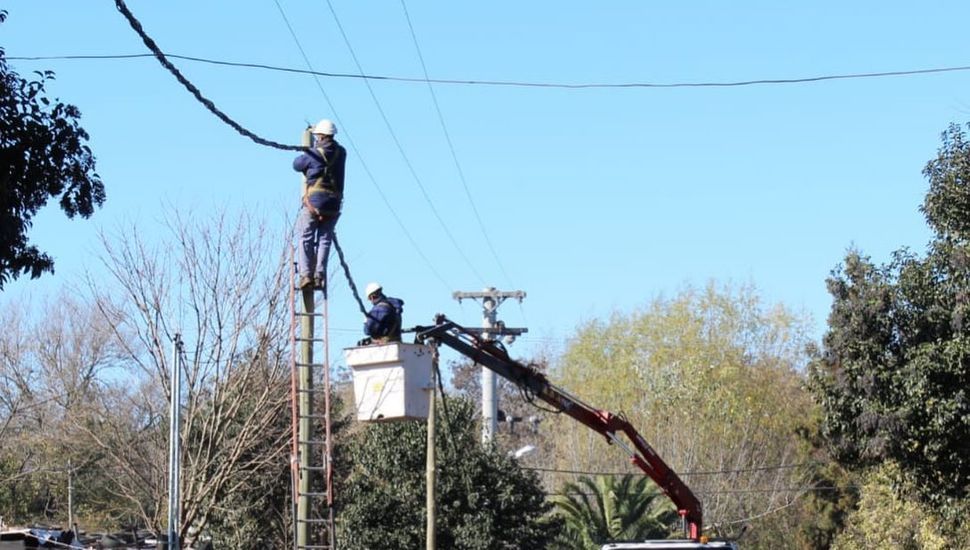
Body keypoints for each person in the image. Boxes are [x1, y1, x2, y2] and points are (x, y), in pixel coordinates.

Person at [293, 119, 347, 290]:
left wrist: (309, 151)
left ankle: (305, 275)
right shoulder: (342, 152)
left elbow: (297, 164)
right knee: (325, 239)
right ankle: (319, 275)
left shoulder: (314, 154)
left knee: (306, 237)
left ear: (321, 136)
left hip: (314, 202)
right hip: (334, 204)